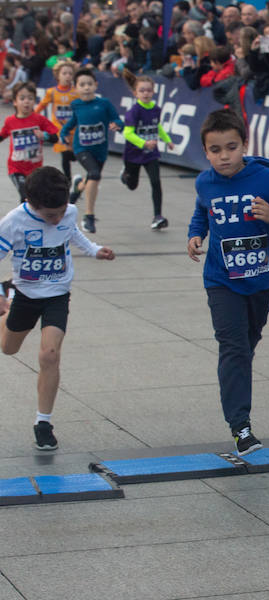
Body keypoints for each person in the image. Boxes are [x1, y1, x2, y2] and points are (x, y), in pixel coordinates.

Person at [187, 109, 269, 455]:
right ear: (205, 152)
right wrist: (195, 234)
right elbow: (201, 212)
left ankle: (234, 377)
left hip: (261, 280)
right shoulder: (205, 182)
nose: (224, 156)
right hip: (221, 279)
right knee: (234, 348)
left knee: (247, 343)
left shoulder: (265, 180)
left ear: (244, 145)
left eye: (231, 148)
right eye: (216, 150)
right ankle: (241, 426)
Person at [0, 167, 115, 451]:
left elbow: (71, 233)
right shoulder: (13, 223)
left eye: (61, 211)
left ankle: (43, 423)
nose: (57, 219)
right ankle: (7, 304)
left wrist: (93, 249)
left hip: (57, 293)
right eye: (50, 216)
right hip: (26, 293)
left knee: (49, 355)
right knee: (8, 348)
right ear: (31, 203)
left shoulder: (68, 213)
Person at [59, 68, 124, 234]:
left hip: (100, 150)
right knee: (94, 175)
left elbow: (117, 119)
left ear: (96, 85)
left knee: (91, 179)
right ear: (76, 87)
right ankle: (89, 216)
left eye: (89, 84)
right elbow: (73, 121)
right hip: (81, 148)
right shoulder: (76, 105)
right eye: (82, 84)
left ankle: (78, 187)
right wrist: (64, 132)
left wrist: (117, 125)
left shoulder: (104, 104)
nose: (86, 87)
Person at [119, 69, 174, 230]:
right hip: (133, 154)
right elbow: (127, 133)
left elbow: (157, 126)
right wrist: (143, 143)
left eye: (149, 90)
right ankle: (125, 175)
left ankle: (158, 216)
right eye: (142, 90)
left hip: (151, 154)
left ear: (154, 92)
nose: (146, 93)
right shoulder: (133, 112)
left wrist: (168, 140)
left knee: (156, 182)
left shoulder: (156, 109)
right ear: (135, 93)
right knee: (132, 185)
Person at [0, 82, 59, 202]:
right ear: (15, 102)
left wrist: (45, 135)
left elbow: (55, 137)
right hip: (16, 168)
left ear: (34, 101)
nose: (26, 101)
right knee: (25, 196)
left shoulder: (39, 119)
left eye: (30, 98)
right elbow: (2, 135)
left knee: (36, 198)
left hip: (35, 169)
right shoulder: (10, 121)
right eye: (22, 98)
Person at [34, 59, 78, 183]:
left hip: (74, 130)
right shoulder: (52, 92)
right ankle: (68, 180)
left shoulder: (76, 92)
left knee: (74, 155)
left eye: (70, 73)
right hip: (59, 130)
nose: (67, 76)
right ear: (57, 75)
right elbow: (42, 105)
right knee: (64, 155)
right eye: (64, 73)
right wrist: (32, 116)